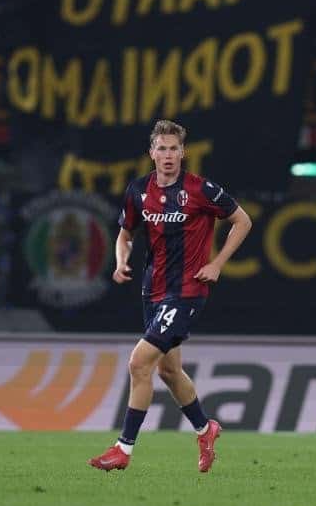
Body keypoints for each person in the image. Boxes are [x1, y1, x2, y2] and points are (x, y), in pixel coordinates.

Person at [89, 119, 253, 473]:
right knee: (168, 370)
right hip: (153, 291)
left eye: (173, 149)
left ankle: (123, 449)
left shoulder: (200, 190)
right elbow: (125, 234)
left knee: (139, 363)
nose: (167, 155)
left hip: (187, 291)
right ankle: (205, 428)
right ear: (152, 153)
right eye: (161, 148)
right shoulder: (138, 190)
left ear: (183, 153)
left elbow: (243, 221)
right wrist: (120, 262)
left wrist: (217, 263)